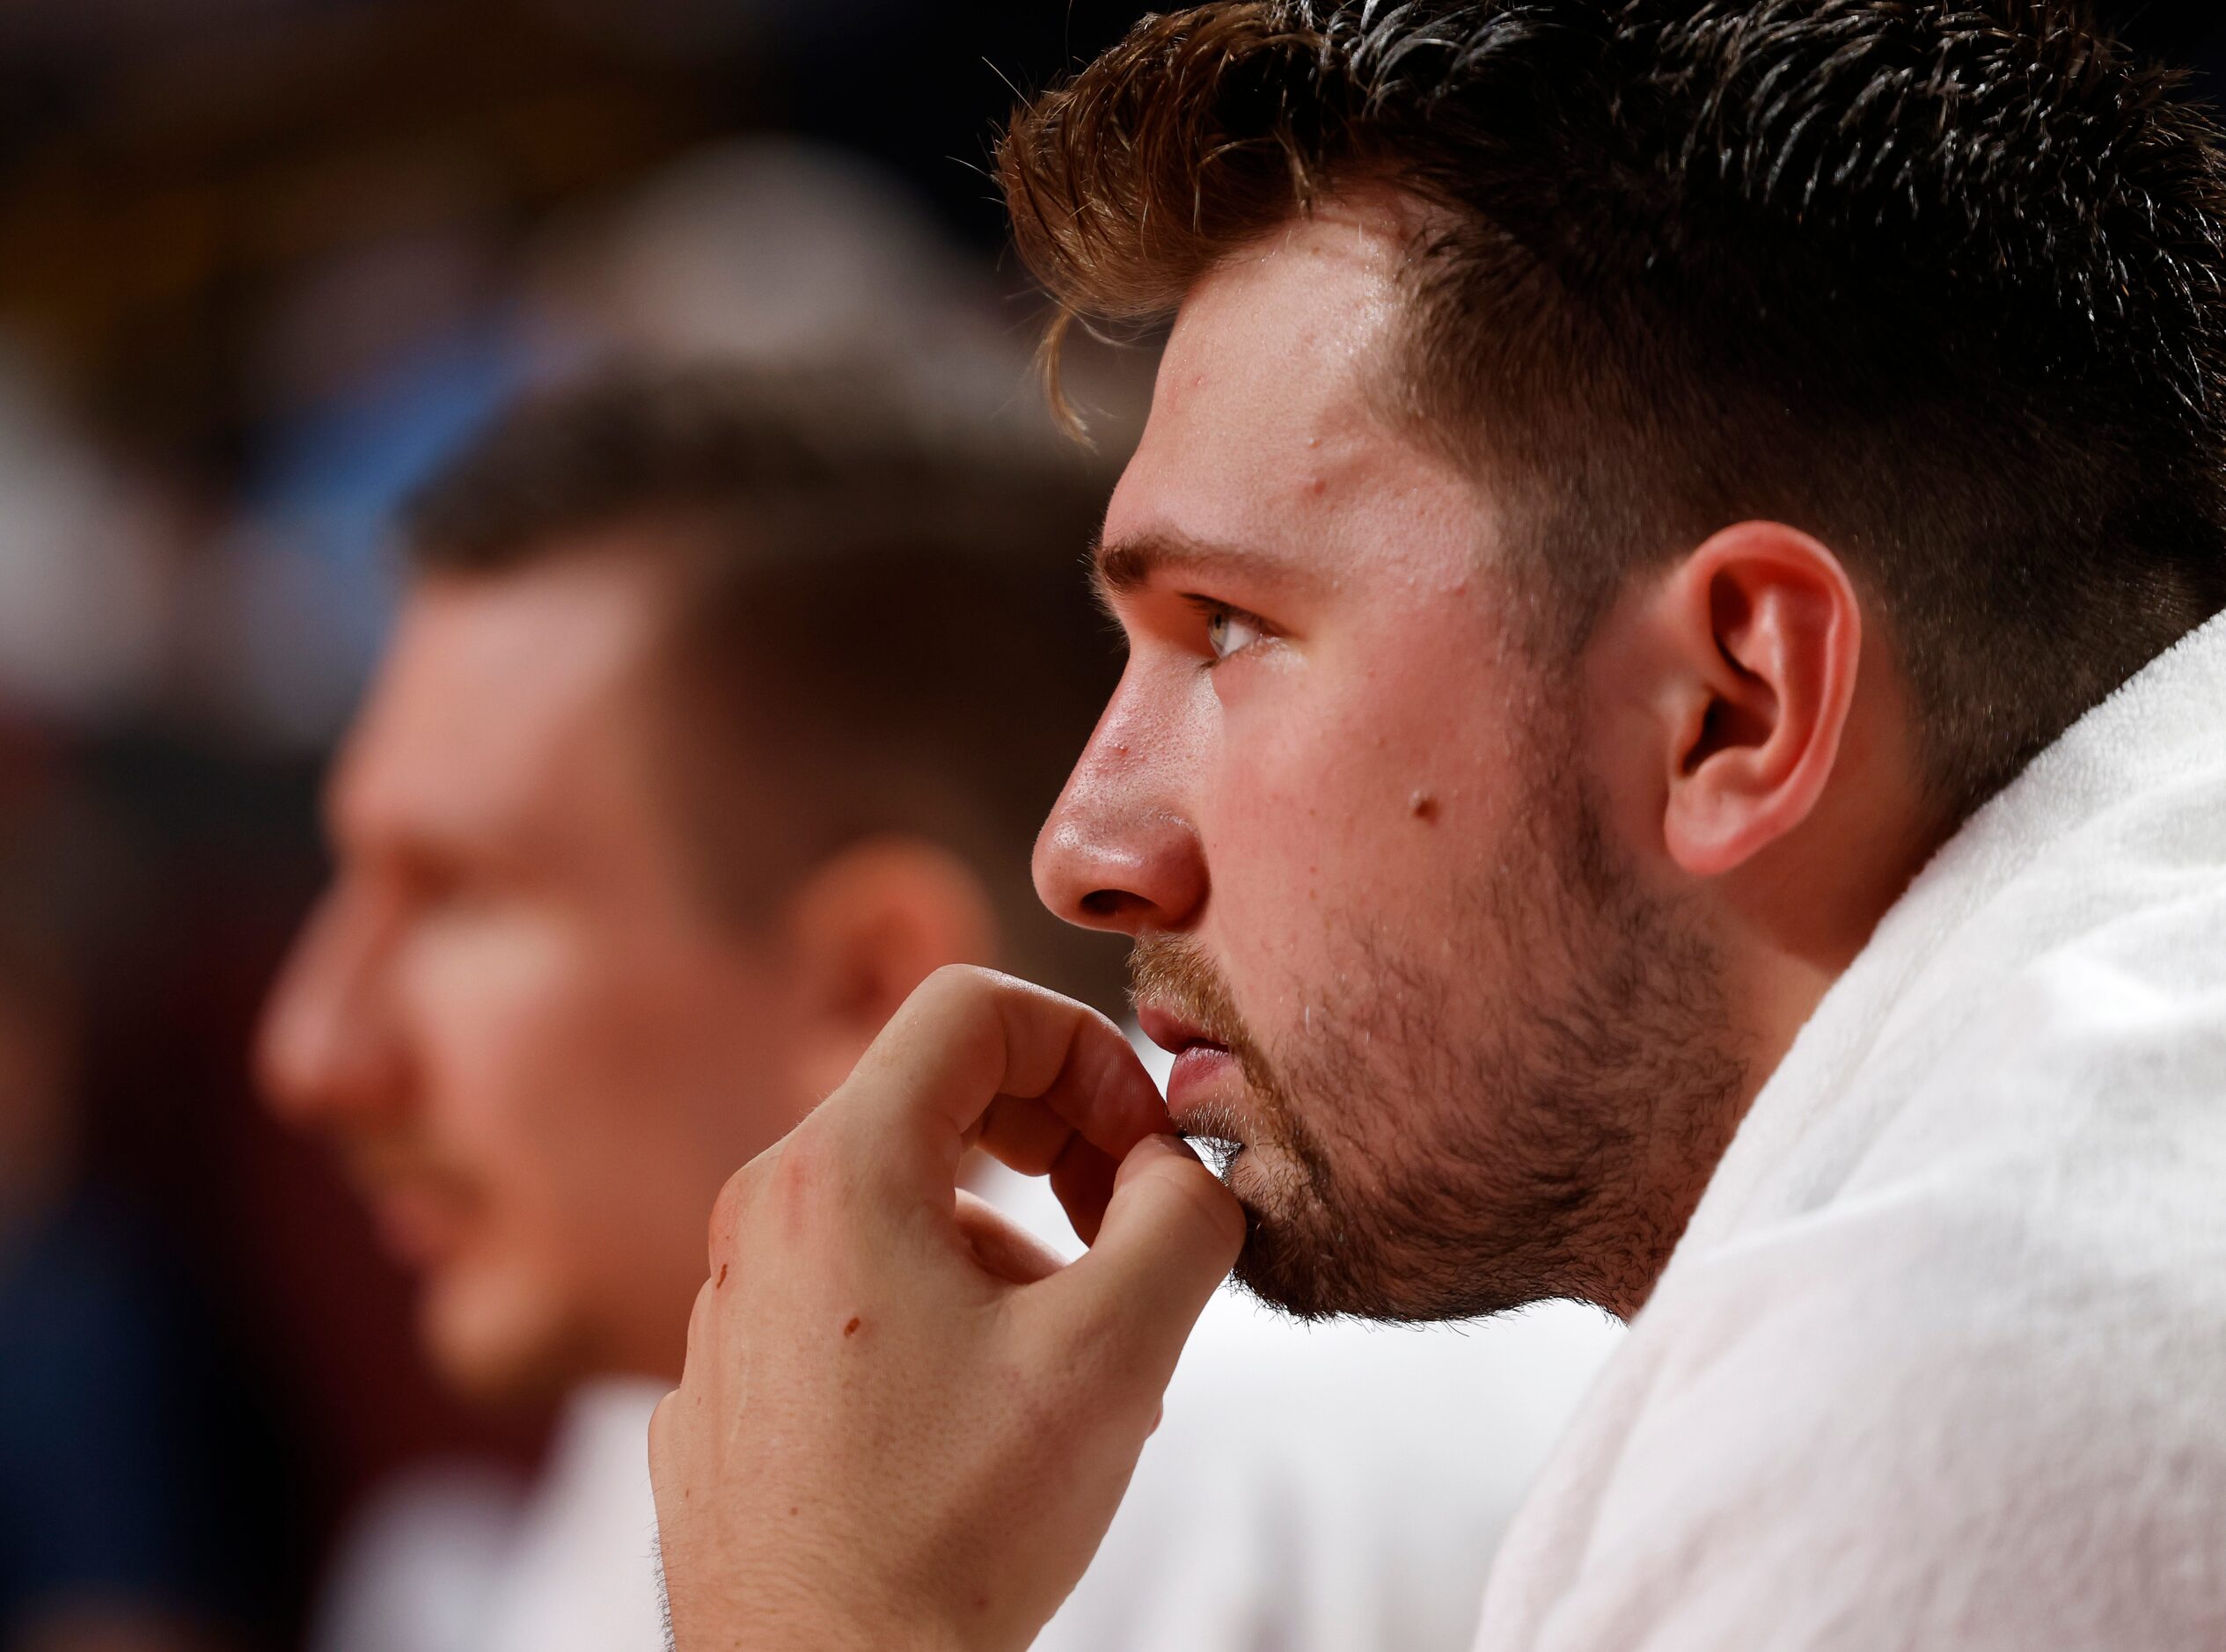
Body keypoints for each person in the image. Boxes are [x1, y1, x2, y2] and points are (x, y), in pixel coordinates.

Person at [647, 3, 2226, 1648]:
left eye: (1230, 628)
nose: (1085, 850)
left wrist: (821, 1604)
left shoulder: (1975, 1349)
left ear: (1727, 706)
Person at [256, 363, 1621, 1652]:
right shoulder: (689, 1382)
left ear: (867, 982)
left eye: (452, 896)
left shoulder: (1225, 1465)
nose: (313, 1052)